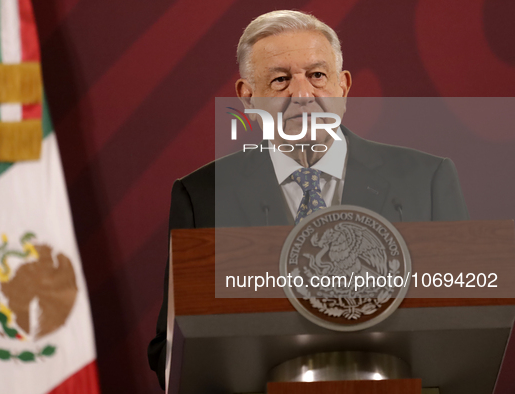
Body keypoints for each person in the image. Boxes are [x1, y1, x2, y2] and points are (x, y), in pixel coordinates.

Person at [147, 10, 469, 389]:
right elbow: (170, 350)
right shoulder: (202, 196)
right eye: (281, 80)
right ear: (247, 97)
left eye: (317, 75)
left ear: (343, 86)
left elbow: (467, 325)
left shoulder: (425, 180)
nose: (302, 94)